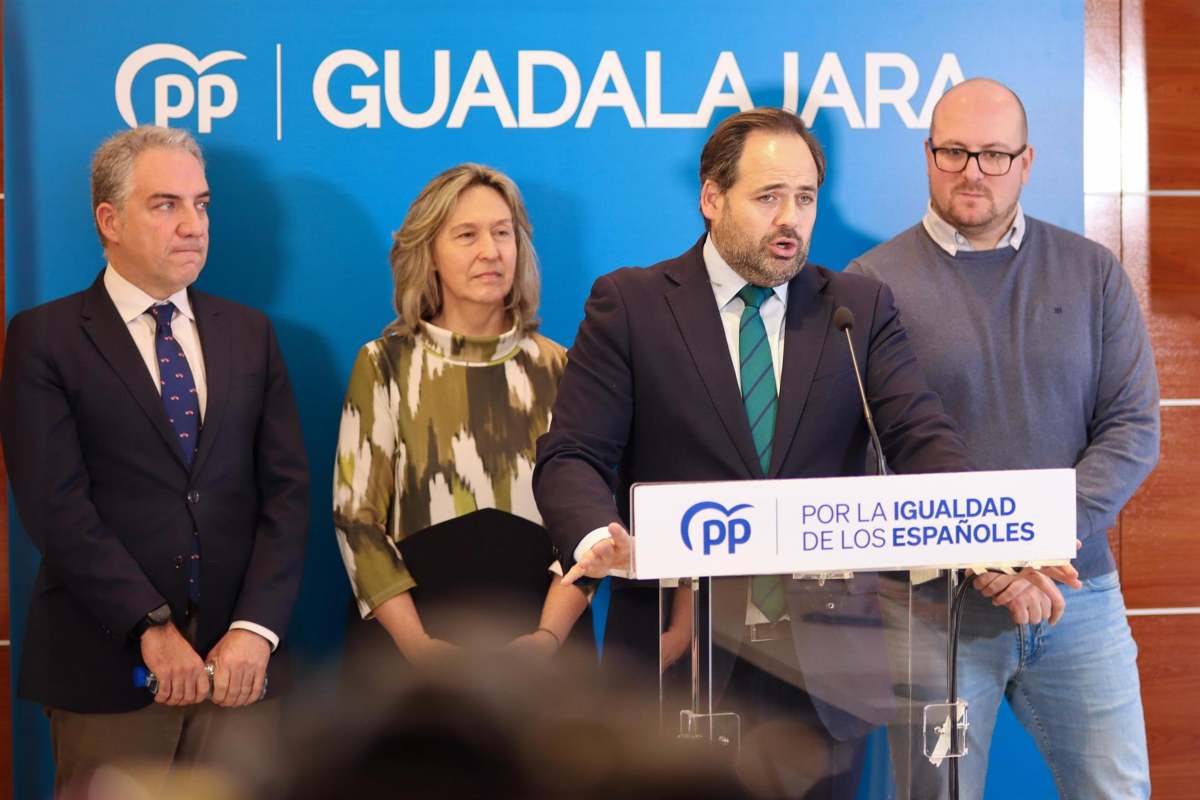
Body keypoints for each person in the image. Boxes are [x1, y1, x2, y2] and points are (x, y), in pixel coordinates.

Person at [533, 108, 974, 799]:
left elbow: (923, 440)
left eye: (804, 198)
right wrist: (599, 537)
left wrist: (988, 532)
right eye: (768, 197)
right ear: (712, 199)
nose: (790, 219)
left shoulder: (855, 308)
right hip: (678, 654)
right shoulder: (634, 304)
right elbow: (572, 456)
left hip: (825, 666)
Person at [847, 77, 1158, 799]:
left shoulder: (1092, 272)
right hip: (936, 606)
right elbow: (868, 455)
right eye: (954, 152)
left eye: (993, 154)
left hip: (1076, 595)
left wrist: (1040, 547)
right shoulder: (870, 287)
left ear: (1027, 161)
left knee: (1118, 791)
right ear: (927, 155)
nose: (972, 172)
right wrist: (980, 556)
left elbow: (1133, 427)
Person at [0, 126, 310, 793]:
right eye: (166, 205)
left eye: (201, 205)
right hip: (109, 671)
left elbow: (286, 496)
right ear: (108, 220)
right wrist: (151, 626)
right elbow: (55, 506)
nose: (192, 225)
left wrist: (255, 631)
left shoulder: (249, 334)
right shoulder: (44, 338)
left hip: (240, 674)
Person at [333, 164, 588, 665]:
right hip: (410, 651)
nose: (490, 252)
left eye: (502, 233)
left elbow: (589, 530)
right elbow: (356, 520)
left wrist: (548, 639)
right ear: (428, 252)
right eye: (467, 235)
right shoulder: (383, 365)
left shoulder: (563, 368)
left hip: (544, 652)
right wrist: (419, 648)